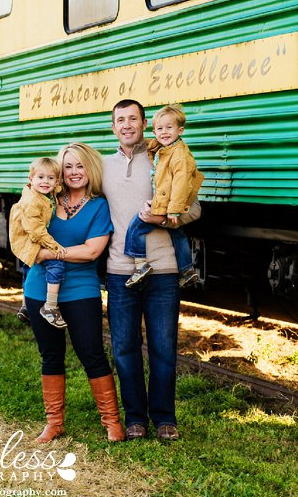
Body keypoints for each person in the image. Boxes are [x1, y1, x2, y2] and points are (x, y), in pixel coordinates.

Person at [102, 99, 201, 442]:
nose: (127, 125)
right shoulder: (102, 167)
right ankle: (134, 419)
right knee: (124, 348)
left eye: (133, 119)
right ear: (113, 126)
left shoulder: (165, 156)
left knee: (163, 347)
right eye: (120, 120)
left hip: (162, 270)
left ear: (145, 124)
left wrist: (163, 218)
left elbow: (194, 209)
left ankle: (164, 418)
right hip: (119, 271)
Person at [24, 142, 125, 443]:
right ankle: (54, 423)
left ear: (90, 168)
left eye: (80, 166)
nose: (74, 172)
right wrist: (40, 252)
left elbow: (92, 251)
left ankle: (111, 422)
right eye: (68, 166)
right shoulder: (46, 199)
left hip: (81, 290)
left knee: (91, 353)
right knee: (50, 355)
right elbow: (24, 233)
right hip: (39, 288)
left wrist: (51, 252)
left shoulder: (98, 206)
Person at [124, 104, 204, 288]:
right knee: (178, 234)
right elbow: (156, 151)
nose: (164, 132)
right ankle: (187, 270)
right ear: (154, 131)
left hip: (169, 201)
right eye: (160, 129)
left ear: (180, 130)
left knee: (136, 225)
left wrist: (174, 210)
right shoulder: (166, 148)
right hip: (168, 199)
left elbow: (180, 184)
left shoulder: (179, 156)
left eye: (169, 128)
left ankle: (140, 265)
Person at [9, 157, 67, 329]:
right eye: (40, 177)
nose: (45, 182)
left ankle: (26, 305)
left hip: (30, 239)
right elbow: (36, 231)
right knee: (57, 264)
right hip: (29, 239)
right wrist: (54, 246)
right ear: (30, 179)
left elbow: (57, 188)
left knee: (29, 268)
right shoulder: (32, 201)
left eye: (50, 178)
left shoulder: (47, 193)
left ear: (57, 181)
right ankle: (50, 306)